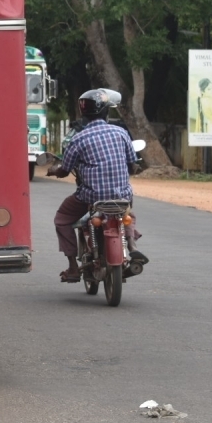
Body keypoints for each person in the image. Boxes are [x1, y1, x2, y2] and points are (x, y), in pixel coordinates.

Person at [49, 88, 147, 283]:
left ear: (83, 113)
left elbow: (65, 169)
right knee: (128, 213)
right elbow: (132, 164)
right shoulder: (121, 133)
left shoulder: (78, 139)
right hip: (122, 195)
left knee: (62, 219)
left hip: (91, 197)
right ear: (105, 111)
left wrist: (54, 170)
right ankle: (132, 246)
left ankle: (73, 267)